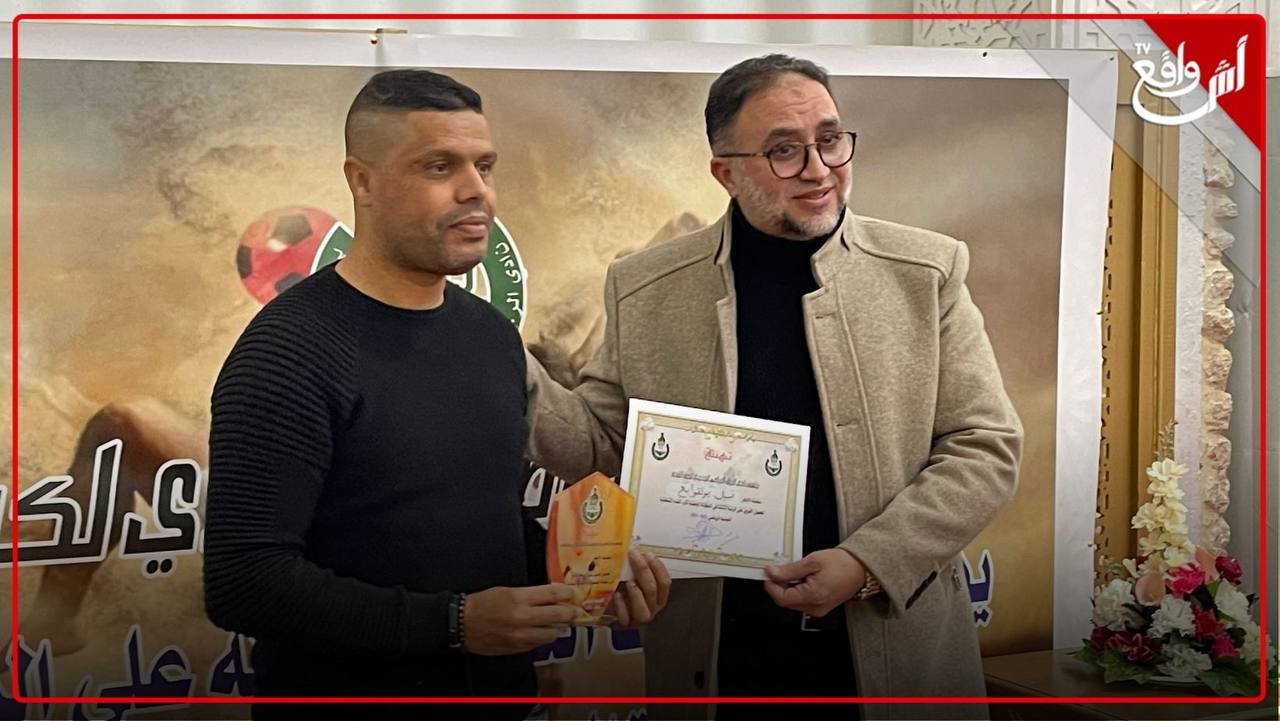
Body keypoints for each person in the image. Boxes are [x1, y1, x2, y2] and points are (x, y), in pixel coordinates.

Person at [524, 54, 1023, 721]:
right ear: (725, 173)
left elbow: (985, 447)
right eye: (784, 151)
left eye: (829, 139)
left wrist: (867, 562)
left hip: (892, 651)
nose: (818, 168)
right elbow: (602, 441)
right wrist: (498, 361)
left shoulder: (924, 272)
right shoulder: (647, 287)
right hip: (721, 662)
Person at [203, 68, 670, 721]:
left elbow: (474, 524)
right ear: (362, 181)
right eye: (439, 166)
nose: (476, 190)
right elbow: (244, 582)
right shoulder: (290, 351)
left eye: (485, 165)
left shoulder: (490, 338)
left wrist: (584, 573)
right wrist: (453, 623)